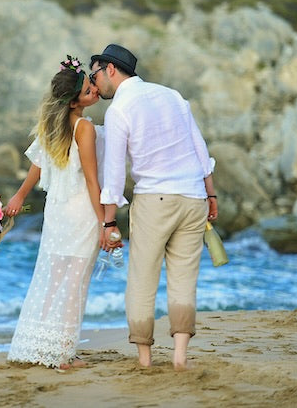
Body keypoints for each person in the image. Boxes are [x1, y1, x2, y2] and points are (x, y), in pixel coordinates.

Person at [89, 44, 218, 371]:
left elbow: (115, 174)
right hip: (193, 198)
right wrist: (211, 195)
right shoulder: (172, 95)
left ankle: (145, 359)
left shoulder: (120, 108)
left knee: (143, 279)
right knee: (184, 279)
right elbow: (199, 148)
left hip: (155, 201)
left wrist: (108, 223)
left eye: (96, 74)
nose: (95, 82)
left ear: (111, 70)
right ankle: (179, 357)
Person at [5, 55, 105, 370]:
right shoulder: (84, 127)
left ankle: (39, 345)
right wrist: (106, 222)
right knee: (74, 283)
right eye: (89, 90)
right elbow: (91, 179)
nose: (95, 92)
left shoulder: (53, 125)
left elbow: (38, 165)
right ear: (74, 102)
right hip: (80, 214)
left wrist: (19, 196)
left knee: (52, 278)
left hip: (57, 214)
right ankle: (63, 354)